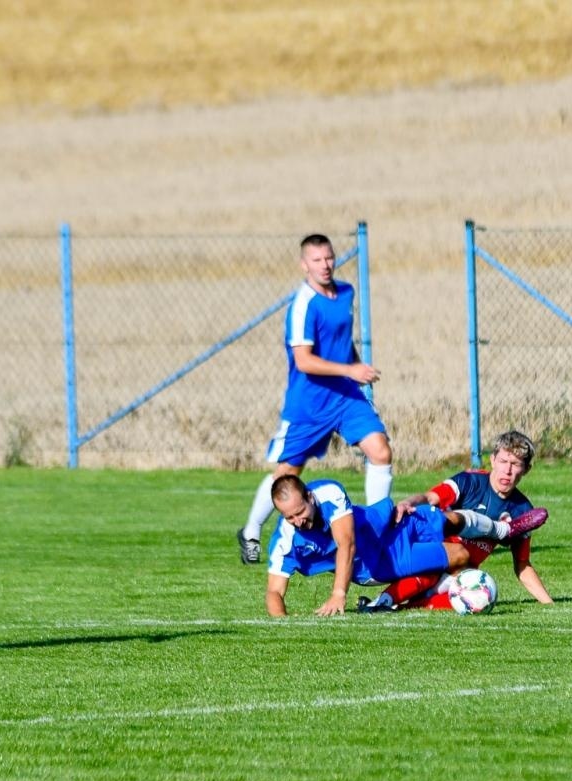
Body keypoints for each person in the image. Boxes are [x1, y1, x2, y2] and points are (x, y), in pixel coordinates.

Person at [237, 233, 392, 565]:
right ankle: (251, 530)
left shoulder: (345, 293)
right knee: (287, 474)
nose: (325, 265)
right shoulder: (303, 305)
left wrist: (355, 371)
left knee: (380, 451)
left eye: (330, 258)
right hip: (309, 403)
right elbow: (304, 360)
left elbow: (341, 342)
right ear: (304, 264)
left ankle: (380, 532)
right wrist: (350, 371)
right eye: (317, 260)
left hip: (345, 397)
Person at [264, 474, 546, 617]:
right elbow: (274, 591)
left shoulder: (328, 492)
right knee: (460, 555)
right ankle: (391, 603)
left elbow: (346, 541)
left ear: (310, 497)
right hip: (382, 560)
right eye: (289, 517)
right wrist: (282, 623)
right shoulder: (285, 541)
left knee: (447, 519)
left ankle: (504, 529)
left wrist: (339, 594)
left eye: (300, 512)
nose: (297, 520)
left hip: (390, 522)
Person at [360, 429, 554, 612]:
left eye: (516, 464)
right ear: (493, 460)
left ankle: (397, 607)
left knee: (479, 594)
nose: (507, 470)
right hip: (436, 557)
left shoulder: (523, 511)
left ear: (527, 469)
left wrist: (549, 605)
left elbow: (522, 564)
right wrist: (407, 502)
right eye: (503, 461)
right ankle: (382, 602)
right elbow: (430, 498)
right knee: (432, 570)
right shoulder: (470, 482)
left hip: (462, 574)